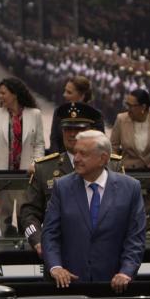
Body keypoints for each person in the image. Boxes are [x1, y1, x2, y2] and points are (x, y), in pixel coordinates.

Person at [41, 130, 146, 292]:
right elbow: (49, 234)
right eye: (75, 153)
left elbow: (135, 238)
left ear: (103, 158)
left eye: (83, 154)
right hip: (69, 287)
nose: (76, 159)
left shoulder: (130, 188)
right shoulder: (62, 187)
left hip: (114, 289)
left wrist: (126, 272)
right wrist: (55, 267)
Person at [20, 102, 123, 255]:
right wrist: (38, 240)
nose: (72, 134)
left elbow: (124, 211)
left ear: (91, 131)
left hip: (105, 254)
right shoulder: (45, 169)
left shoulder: (112, 165)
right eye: (67, 129)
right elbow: (28, 213)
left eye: (79, 129)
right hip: (59, 254)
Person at [109, 89, 150, 170]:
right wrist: (115, 168)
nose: (128, 109)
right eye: (127, 105)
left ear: (143, 106)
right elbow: (113, 147)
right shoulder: (121, 119)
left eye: (131, 106)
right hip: (129, 172)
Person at [48, 76, 105, 154]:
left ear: (82, 96)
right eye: (65, 91)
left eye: (69, 92)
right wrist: (57, 162)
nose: (64, 95)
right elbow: (54, 140)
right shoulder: (59, 112)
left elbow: (100, 143)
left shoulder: (95, 115)